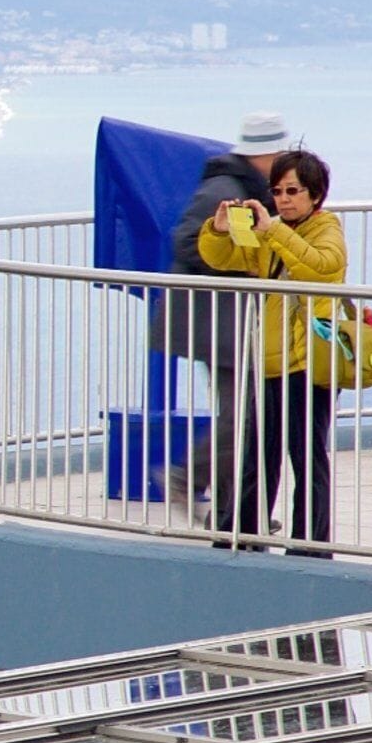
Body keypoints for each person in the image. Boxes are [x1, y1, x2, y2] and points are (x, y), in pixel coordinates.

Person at [194, 148, 344, 548]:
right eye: (277, 191)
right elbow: (226, 259)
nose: (284, 199)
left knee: (308, 458)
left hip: (309, 363)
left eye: (293, 191)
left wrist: (274, 232)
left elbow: (322, 266)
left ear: (315, 195)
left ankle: (310, 544)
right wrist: (220, 230)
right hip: (270, 362)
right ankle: (239, 537)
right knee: (257, 455)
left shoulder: (327, 228)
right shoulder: (272, 231)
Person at [164, 113, 297, 526]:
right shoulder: (225, 190)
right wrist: (241, 265)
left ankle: (232, 511)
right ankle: (192, 477)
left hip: (232, 322)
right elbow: (188, 241)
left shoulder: (247, 187)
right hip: (218, 322)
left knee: (246, 414)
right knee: (247, 416)